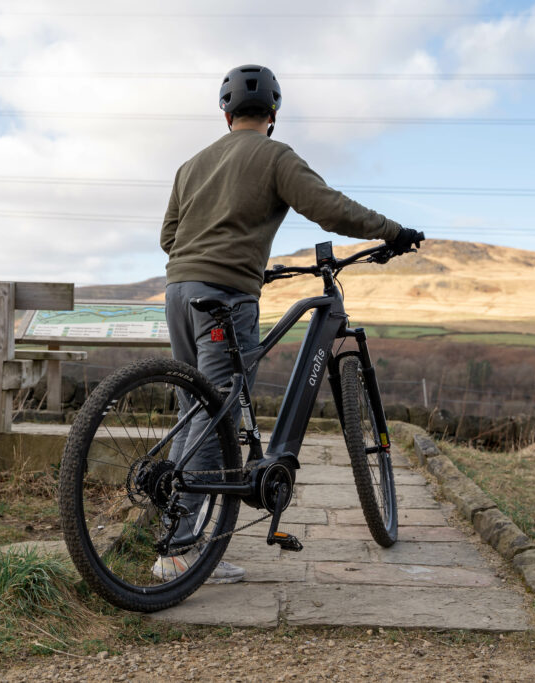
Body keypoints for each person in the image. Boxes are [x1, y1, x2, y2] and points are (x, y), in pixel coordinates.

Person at [153, 64, 423, 584]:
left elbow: (170, 236)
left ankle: (173, 528)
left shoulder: (190, 165)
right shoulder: (275, 156)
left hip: (178, 291)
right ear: (273, 114)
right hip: (226, 298)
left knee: (196, 412)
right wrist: (391, 230)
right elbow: (328, 207)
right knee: (220, 418)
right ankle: (179, 549)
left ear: (225, 113)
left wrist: (214, 254)